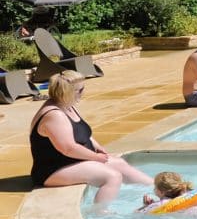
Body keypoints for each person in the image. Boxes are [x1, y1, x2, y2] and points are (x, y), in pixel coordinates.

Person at [29, 71, 153, 205]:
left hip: (71, 162)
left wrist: (97, 147)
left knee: (119, 164)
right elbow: (68, 149)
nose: (83, 92)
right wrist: (95, 157)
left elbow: (81, 133)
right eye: (81, 89)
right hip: (52, 170)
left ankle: (159, 188)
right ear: (69, 91)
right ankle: (102, 215)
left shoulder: (67, 106)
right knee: (112, 177)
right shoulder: (54, 115)